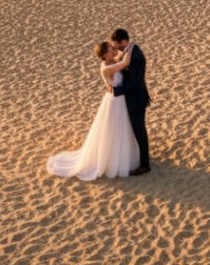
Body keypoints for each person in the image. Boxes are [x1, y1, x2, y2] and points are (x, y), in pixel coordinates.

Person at [46, 42, 141, 180]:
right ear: (104, 55)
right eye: (110, 49)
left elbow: (120, 56)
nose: (113, 50)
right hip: (114, 102)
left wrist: (118, 48)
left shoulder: (112, 60)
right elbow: (125, 62)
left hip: (121, 100)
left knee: (122, 129)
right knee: (113, 130)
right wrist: (131, 47)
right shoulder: (106, 68)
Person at [109, 28, 151, 175]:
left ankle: (145, 165)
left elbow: (135, 82)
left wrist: (117, 91)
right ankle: (140, 158)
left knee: (139, 130)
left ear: (123, 41)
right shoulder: (129, 52)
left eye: (117, 45)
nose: (117, 48)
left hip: (136, 99)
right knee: (135, 129)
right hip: (131, 98)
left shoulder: (136, 55)